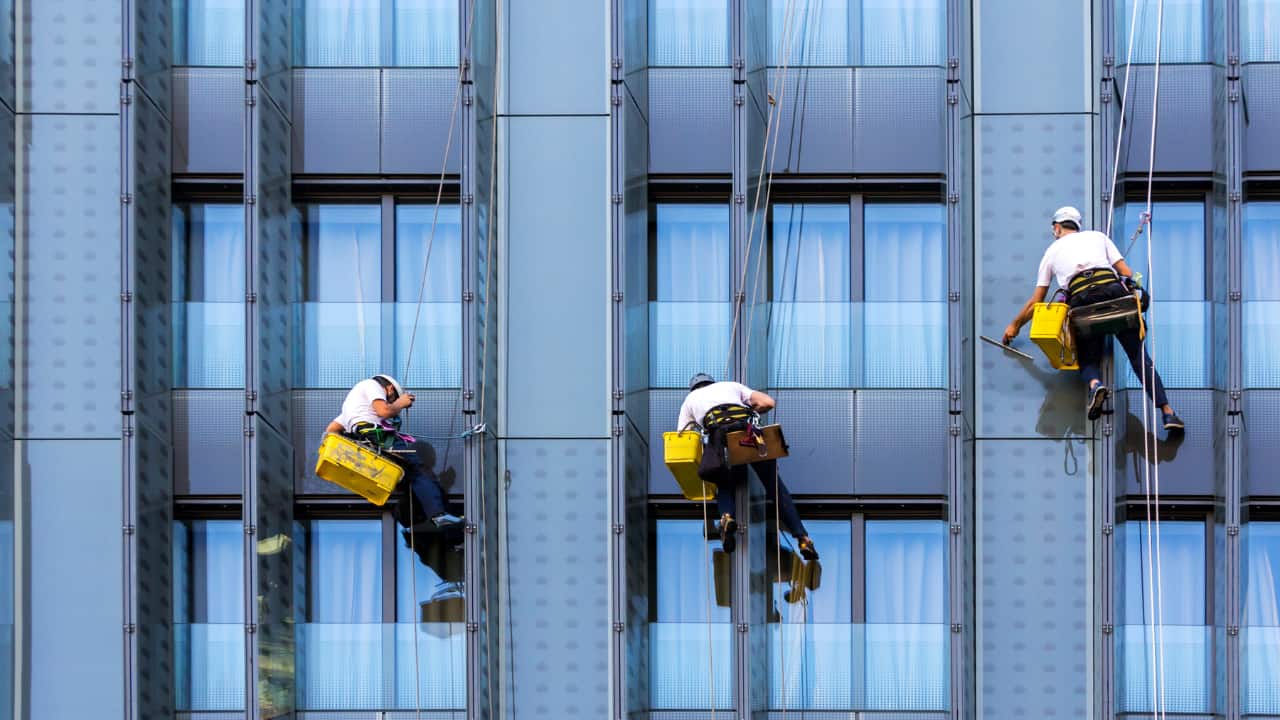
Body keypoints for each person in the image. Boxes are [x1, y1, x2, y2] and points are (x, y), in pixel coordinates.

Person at [1002, 206, 1185, 432]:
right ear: (1077, 226)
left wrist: (1014, 326)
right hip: (1114, 295)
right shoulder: (1098, 237)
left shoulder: (1051, 251)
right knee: (1138, 357)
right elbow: (1127, 273)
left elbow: (1036, 302)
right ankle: (1168, 412)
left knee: (1088, 360)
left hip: (1083, 303)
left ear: (1057, 227)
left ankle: (1095, 384)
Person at [678, 373, 819, 561]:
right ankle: (803, 539)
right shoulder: (731, 385)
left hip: (720, 439)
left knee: (723, 481)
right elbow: (768, 402)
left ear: (693, 388)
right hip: (748, 435)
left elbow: (682, 436)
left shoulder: (690, 399)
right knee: (774, 487)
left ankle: (727, 517)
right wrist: (751, 410)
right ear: (712, 382)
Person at [325, 375, 463, 542]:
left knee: (408, 475)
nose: (390, 402)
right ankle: (438, 515)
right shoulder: (372, 385)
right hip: (377, 436)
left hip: (365, 437)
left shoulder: (351, 406)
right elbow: (384, 411)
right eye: (391, 399)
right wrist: (401, 402)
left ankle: (437, 519)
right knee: (418, 470)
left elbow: (331, 430)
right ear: (390, 389)